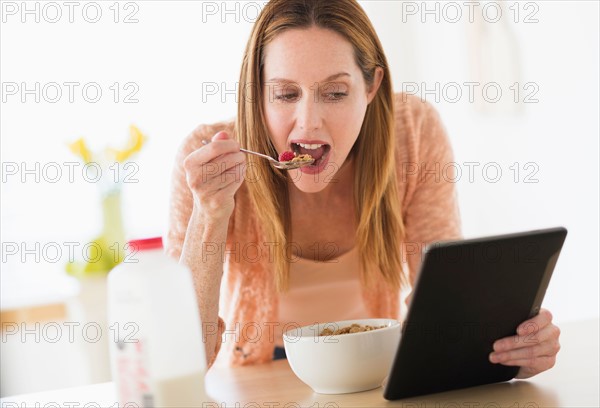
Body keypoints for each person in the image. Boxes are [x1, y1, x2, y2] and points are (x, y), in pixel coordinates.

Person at [166, 0, 560, 379]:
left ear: (371, 86)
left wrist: (507, 356)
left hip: (375, 381)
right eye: (286, 94)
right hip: (262, 387)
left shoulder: (413, 134)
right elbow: (180, 360)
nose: (308, 123)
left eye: (335, 93)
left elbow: (443, 315)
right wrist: (210, 215)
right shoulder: (206, 161)